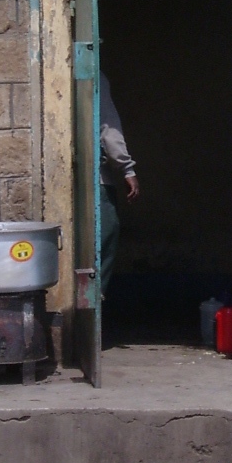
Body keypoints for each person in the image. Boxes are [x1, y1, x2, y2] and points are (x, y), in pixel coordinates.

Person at [99, 72, 139, 296]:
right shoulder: (98, 78)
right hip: (99, 181)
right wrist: (127, 169)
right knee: (105, 240)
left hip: (83, 178)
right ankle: (96, 303)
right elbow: (109, 128)